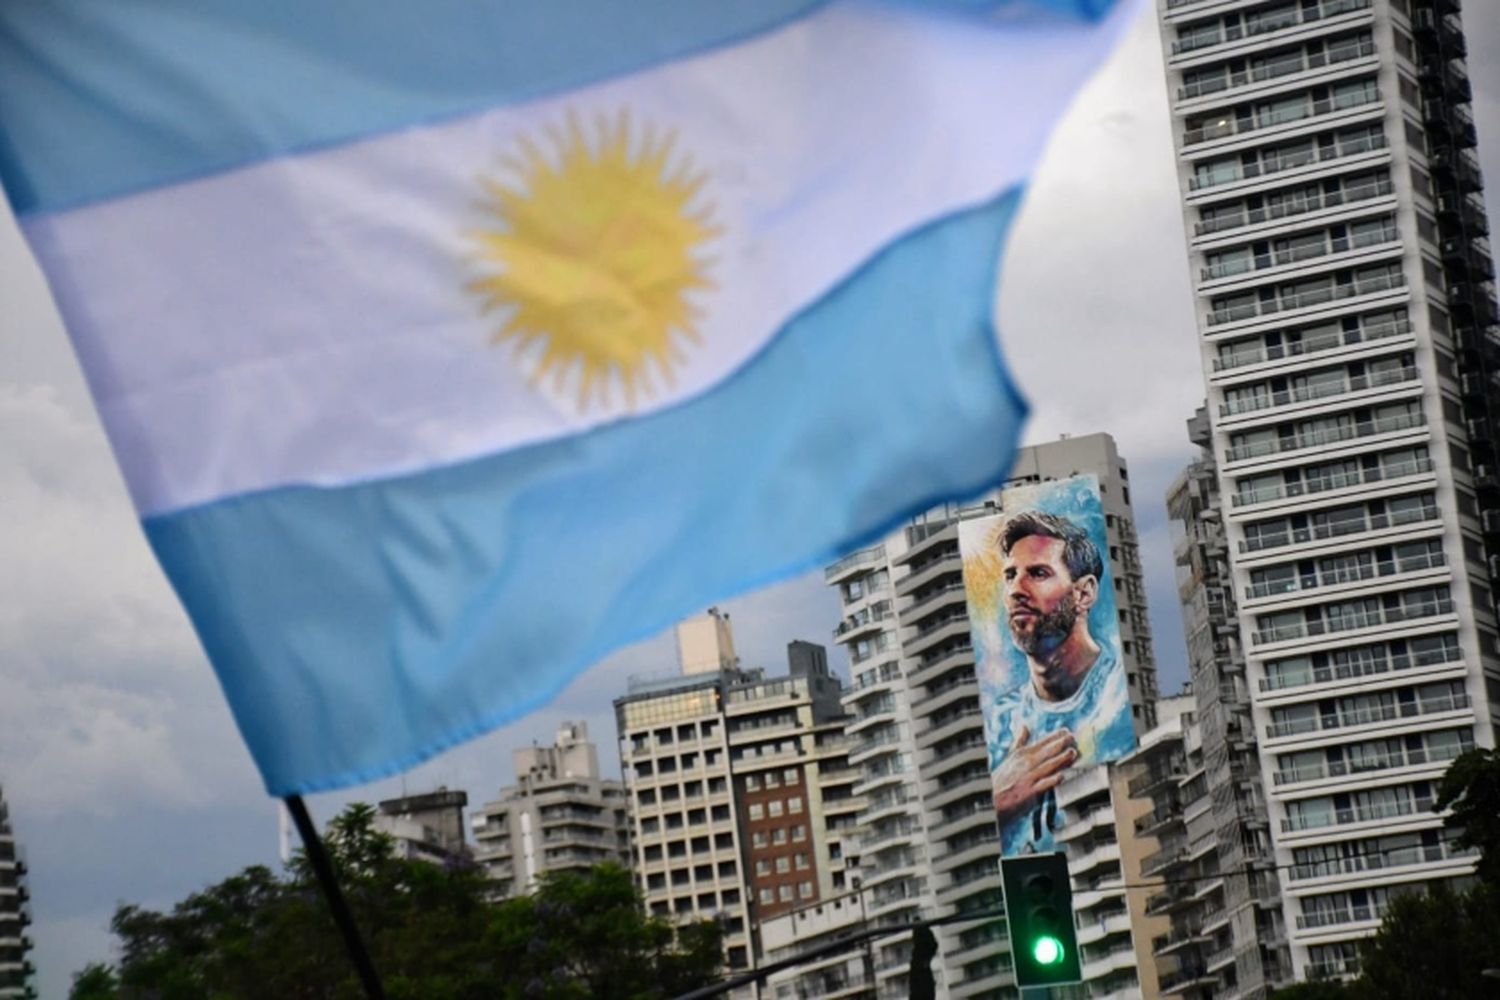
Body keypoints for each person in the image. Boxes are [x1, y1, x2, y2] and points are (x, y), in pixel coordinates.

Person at [986, 510, 1133, 854]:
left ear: (1084, 594)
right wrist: (1001, 798)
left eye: (1037, 573)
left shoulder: (1117, 700)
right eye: (1010, 576)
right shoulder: (999, 721)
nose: (1015, 591)